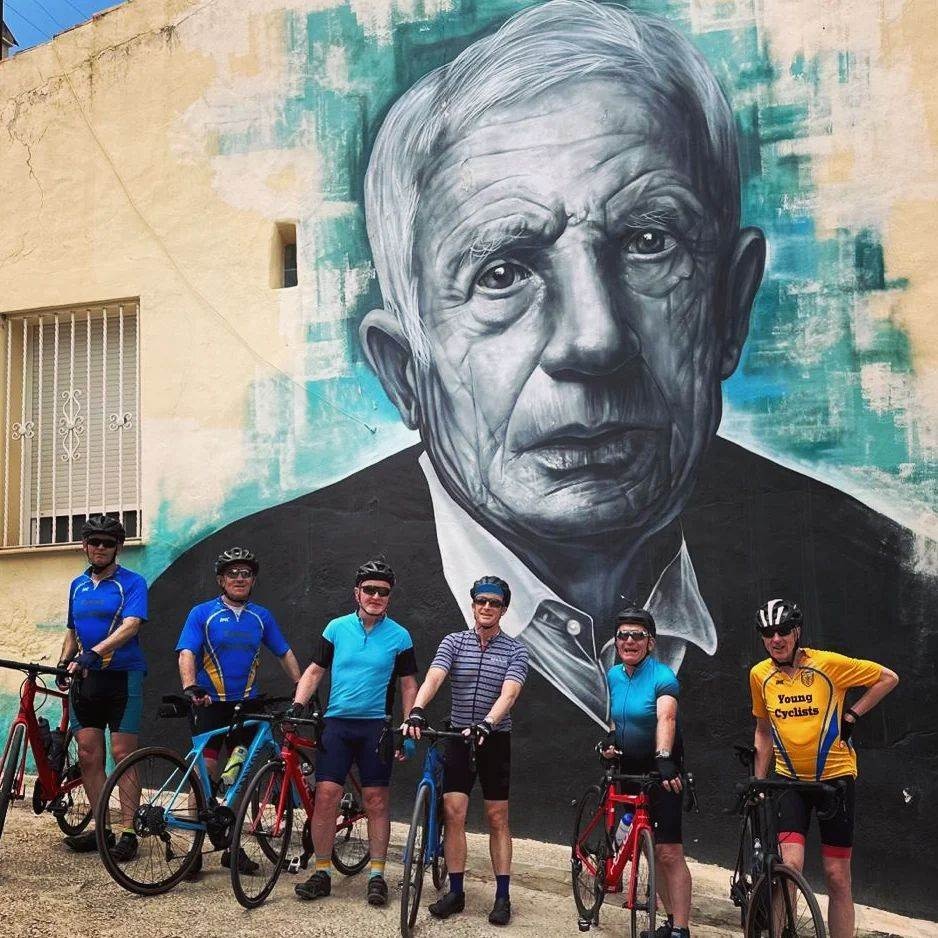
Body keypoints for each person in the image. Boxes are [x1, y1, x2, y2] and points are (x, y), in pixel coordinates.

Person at [749, 598, 899, 938]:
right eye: (768, 633)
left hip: (836, 781)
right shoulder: (760, 675)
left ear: (797, 631)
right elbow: (762, 730)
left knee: (836, 875)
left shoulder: (827, 664)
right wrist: (759, 782)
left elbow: (888, 678)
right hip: (790, 783)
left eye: (783, 631)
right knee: (789, 867)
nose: (776, 639)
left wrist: (853, 714)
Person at [403, 575, 529, 926]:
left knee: (497, 818)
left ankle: (502, 896)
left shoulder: (516, 650)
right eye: (481, 601)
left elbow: (510, 692)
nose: (487, 607)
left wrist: (488, 721)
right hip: (459, 737)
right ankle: (456, 892)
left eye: (494, 603)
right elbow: (434, 677)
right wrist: (416, 709)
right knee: (454, 811)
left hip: (494, 740)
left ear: (503, 609)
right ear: (473, 605)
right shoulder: (454, 642)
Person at [291, 559, 418, 907]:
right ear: (357, 593)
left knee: (376, 800)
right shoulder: (336, 628)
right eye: (370, 590)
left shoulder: (399, 636)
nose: (376, 596)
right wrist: (297, 705)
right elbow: (315, 671)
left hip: (375, 727)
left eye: (383, 591)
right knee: (327, 796)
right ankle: (321, 872)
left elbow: (409, 685)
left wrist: (409, 724)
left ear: (390, 597)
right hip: (337, 725)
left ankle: (377, 875)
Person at [175, 546, 302, 876]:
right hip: (210, 706)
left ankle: (232, 848)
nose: (240, 578)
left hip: (248, 707)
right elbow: (187, 652)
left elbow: (284, 652)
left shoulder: (262, 616)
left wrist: (302, 691)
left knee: (240, 776)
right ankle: (194, 851)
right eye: (233, 573)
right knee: (204, 775)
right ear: (221, 579)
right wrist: (190, 687)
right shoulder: (202, 613)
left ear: (253, 580)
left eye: (246, 574)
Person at [56, 514, 147, 861]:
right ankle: (101, 829)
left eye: (108, 542)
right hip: (86, 678)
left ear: (118, 548)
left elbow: (131, 626)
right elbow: (71, 631)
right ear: (84, 545)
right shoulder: (77, 585)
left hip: (122, 676)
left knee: (123, 752)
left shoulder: (132, 582)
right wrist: (64, 662)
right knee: (89, 754)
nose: (100, 548)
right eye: (94, 541)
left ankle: (128, 832)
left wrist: (94, 653)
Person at [599, 606, 692, 938]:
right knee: (642, 843)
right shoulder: (610, 677)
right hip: (626, 770)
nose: (629, 641)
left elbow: (666, 717)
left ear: (650, 643)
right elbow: (606, 717)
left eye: (637, 635)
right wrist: (607, 741)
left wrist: (664, 757)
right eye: (623, 635)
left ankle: (679, 928)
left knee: (669, 851)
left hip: (661, 773)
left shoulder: (662, 676)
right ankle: (666, 915)